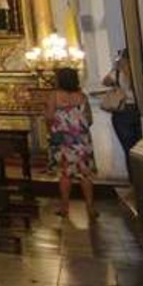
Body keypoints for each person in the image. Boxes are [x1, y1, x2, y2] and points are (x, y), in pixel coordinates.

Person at [44, 67, 97, 219]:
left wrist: (54, 128)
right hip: (81, 138)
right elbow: (89, 119)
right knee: (85, 174)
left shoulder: (54, 95)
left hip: (62, 138)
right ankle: (90, 206)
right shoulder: (82, 96)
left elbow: (48, 116)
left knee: (65, 173)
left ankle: (65, 206)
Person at [100, 48, 143, 163]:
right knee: (142, 148)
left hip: (122, 112)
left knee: (129, 149)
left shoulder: (117, 72)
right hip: (139, 109)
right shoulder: (141, 68)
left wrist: (116, 66)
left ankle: (134, 177)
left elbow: (105, 81)